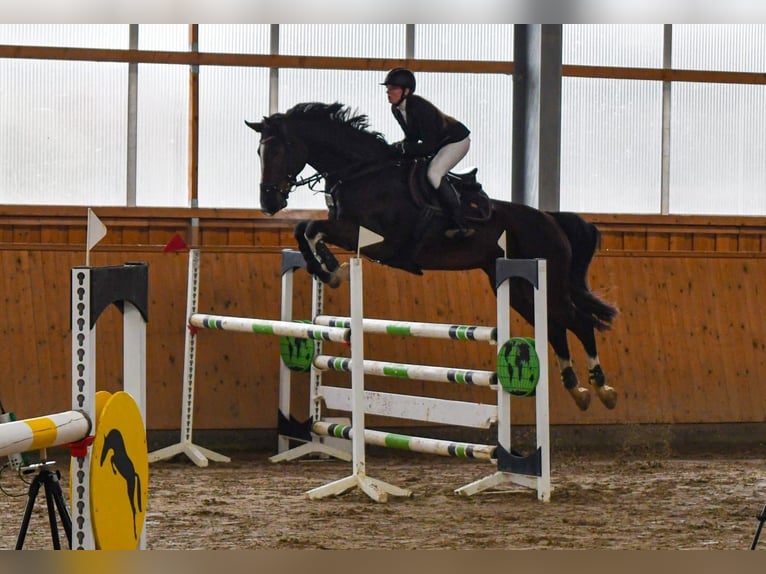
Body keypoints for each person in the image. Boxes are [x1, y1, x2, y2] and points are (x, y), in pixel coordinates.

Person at [381, 67, 475, 239]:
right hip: (440, 143)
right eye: (388, 87)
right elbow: (412, 137)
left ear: (406, 91)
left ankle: (460, 223)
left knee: (433, 173)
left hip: (456, 141)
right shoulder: (397, 109)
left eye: (393, 88)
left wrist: (405, 148)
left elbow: (429, 146)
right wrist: (394, 149)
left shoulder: (419, 107)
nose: (388, 91)